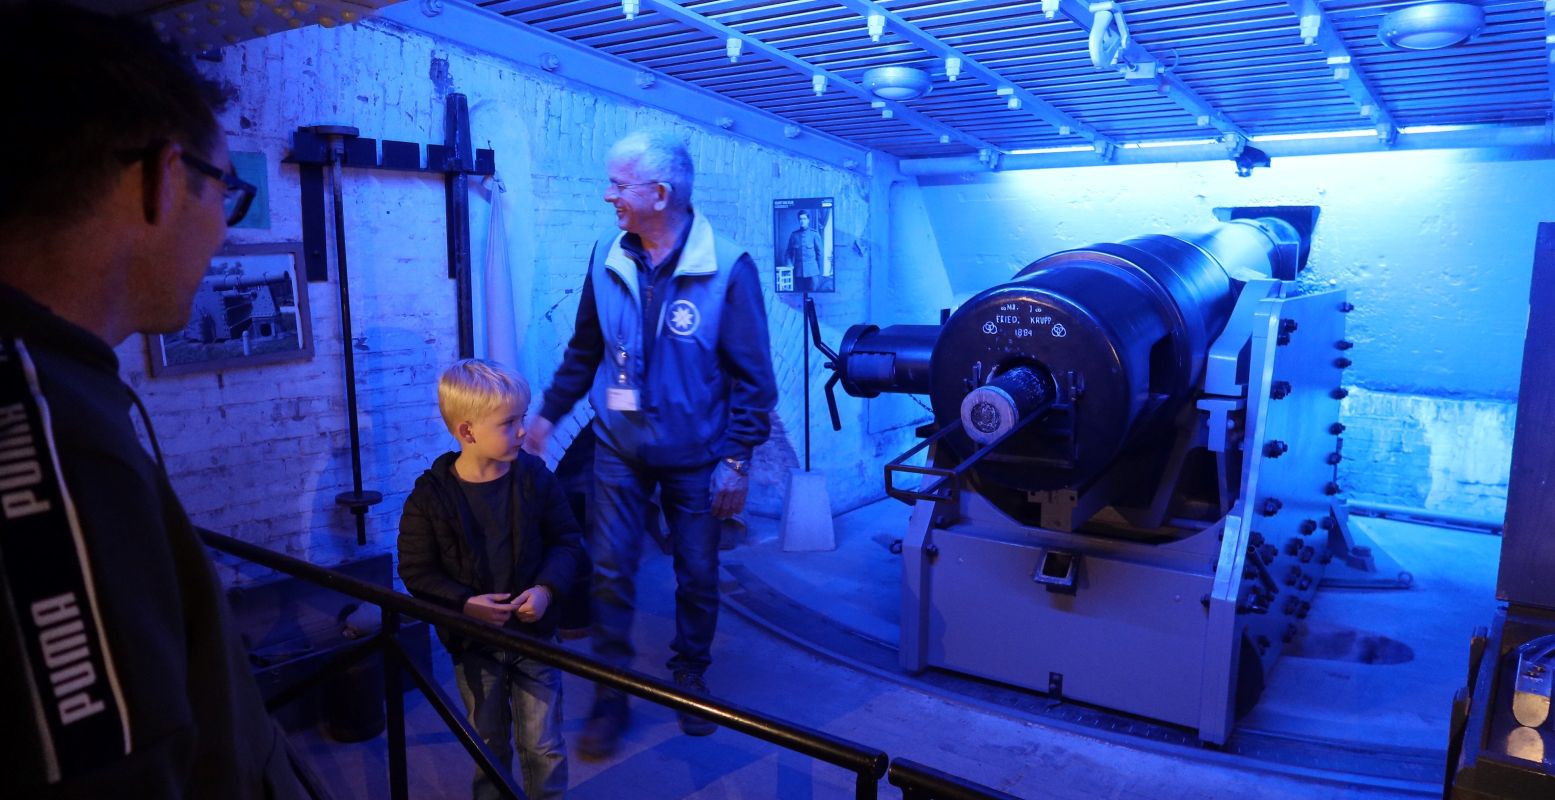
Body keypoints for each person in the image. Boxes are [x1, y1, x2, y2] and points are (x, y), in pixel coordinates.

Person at [0, 4, 316, 798]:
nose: (222, 233)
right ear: (163, 178)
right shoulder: (46, 436)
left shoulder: (58, 384)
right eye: (227, 193)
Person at [524, 129, 777, 758]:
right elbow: (586, 349)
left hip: (698, 457)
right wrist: (549, 414)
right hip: (619, 448)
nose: (607, 195)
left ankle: (689, 674)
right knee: (610, 570)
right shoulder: (605, 258)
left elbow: (754, 380)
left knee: (696, 573)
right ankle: (611, 696)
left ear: (659, 194)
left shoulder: (729, 269)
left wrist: (736, 459)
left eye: (618, 184)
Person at [398, 359, 590, 800]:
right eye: (510, 423)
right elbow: (416, 570)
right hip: (475, 645)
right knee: (487, 746)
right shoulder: (429, 498)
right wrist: (464, 603)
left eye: (522, 418)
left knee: (544, 746)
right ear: (468, 432)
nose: (523, 431)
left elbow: (566, 539)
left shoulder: (535, 478)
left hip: (535, 637)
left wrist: (546, 589)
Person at [784, 209, 828, 291]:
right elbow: (788, 253)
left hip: (812, 274)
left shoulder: (814, 234)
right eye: (800, 219)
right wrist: (789, 265)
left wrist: (818, 271)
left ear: (808, 220)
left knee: (814, 295)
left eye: (804, 219)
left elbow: (820, 254)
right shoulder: (794, 235)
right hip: (798, 273)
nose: (802, 221)